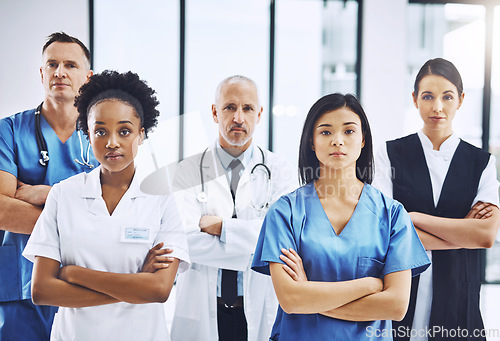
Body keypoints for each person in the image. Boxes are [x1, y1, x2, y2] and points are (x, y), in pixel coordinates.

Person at [22, 70, 190, 341]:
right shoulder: (64, 194)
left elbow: (159, 290)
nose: (112, 142)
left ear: (141, 135)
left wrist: (74, 273)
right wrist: (134, 286)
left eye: (124, 131)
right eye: (100, 131)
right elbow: (42, 290)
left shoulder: (161, 197)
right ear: (88, 135)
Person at [251, 93, 431, 340]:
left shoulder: (391, 214)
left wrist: (309, 294)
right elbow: (291, 300)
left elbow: (396, 306)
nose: (337, 140)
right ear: (312, 142)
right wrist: (369, 285)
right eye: (326, 132)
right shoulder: (285, 212)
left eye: (348, 131)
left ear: (363, 139)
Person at [373, 58, 500, 341]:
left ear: (461, 100)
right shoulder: (389, 154)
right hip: (401, 292)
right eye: (428, 96)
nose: (437, 107)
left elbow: (485, 235)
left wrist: (412, 219)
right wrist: (462, 232)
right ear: (415, 99)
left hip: (459, 298)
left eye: (447, 96)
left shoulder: (481, 163)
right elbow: (383, 232)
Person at [170, 75, 298, 341]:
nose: (239, 117)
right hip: (203, 310)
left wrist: (221, 228)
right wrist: (257, 245)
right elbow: (185, 241)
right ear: (215, 112)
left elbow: (282, 240)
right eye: (230, 107)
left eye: (247, 108)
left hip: (259, 308)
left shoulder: (280, 170)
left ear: (259, 114)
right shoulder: (188, 170)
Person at [0, 32, 99, 340]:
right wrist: (76, 211)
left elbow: (114, 211)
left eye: (70, 64)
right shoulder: (10, 130)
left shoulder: (104, 136)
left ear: (87, 76)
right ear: (41, 73)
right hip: (20, 284)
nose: (60, 72)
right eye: (52, 64)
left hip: (82, 281)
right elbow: (2, 209)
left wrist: (45, 194)